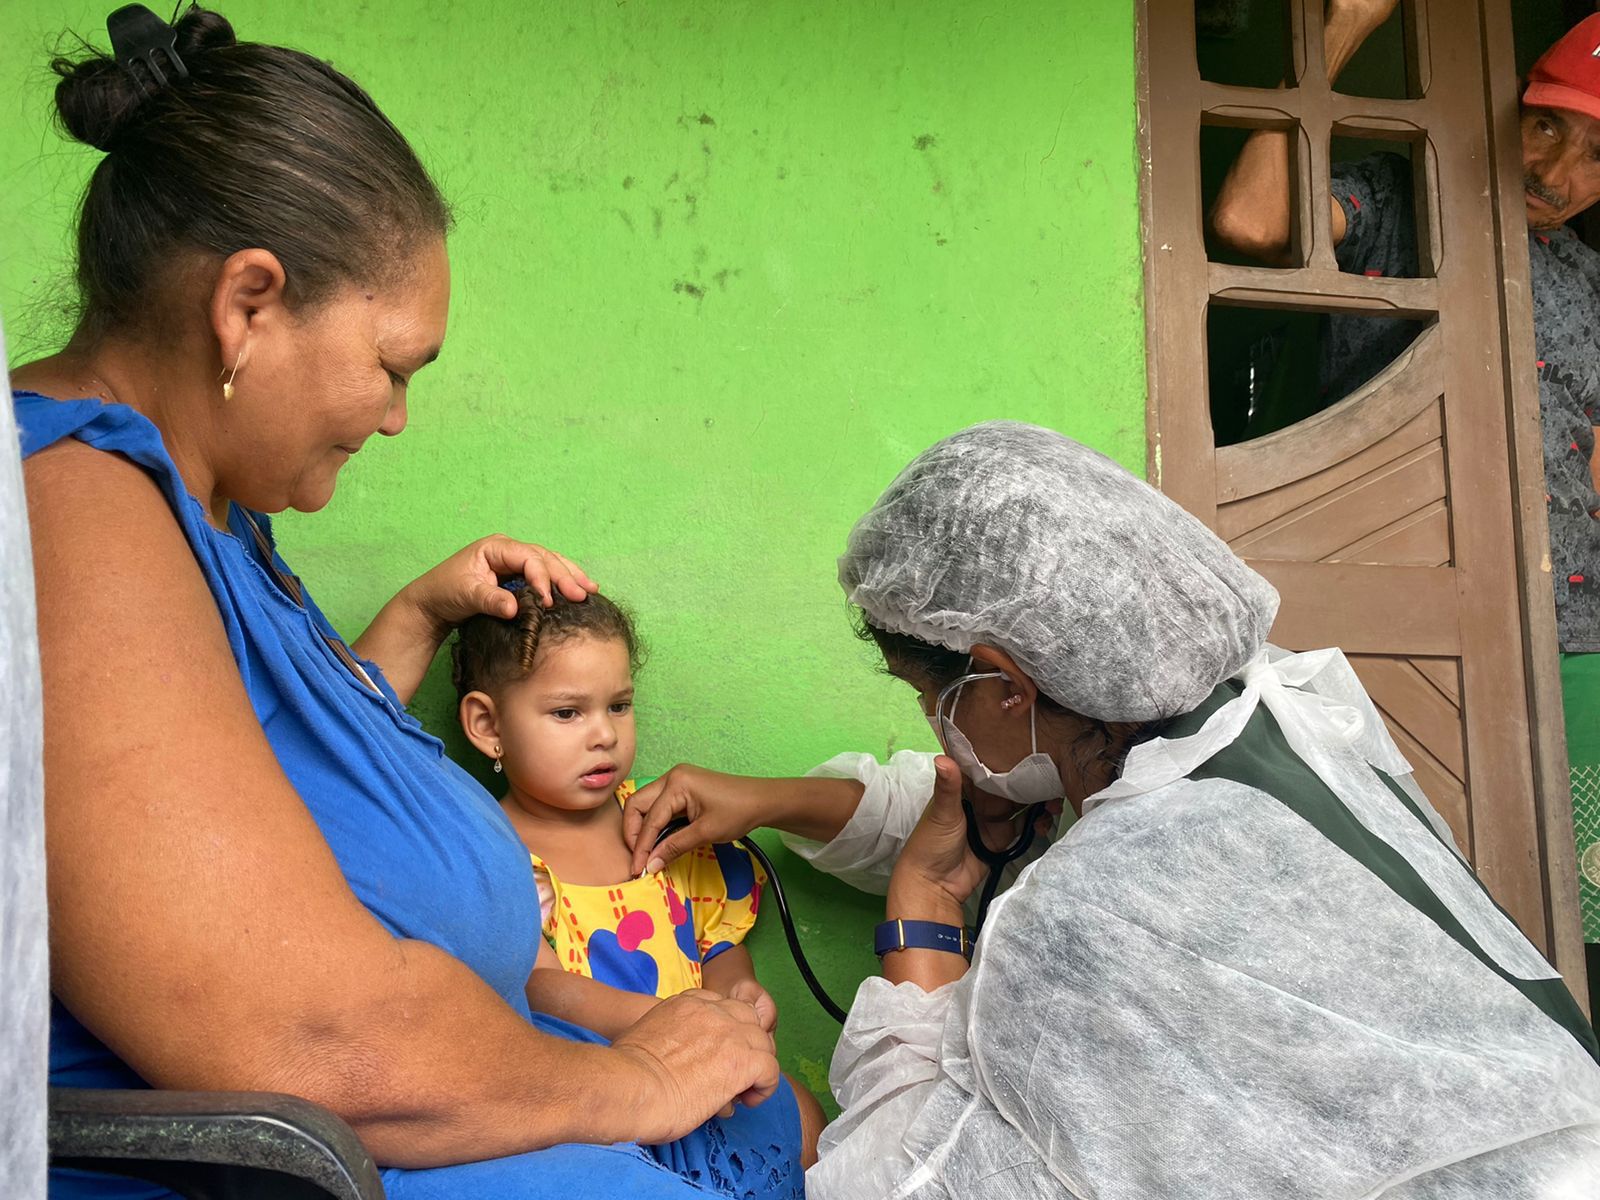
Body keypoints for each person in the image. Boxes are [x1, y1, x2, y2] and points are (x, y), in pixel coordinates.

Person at [17, 6, 802, 1198]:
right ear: (247, 304)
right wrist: (633, 1081)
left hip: (420, 1092)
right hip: (298, 1154)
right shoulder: (69, 508)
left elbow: (270, 767)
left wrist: (416, 618)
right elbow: (308, 1039)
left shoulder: (206, 503)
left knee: (761, 1111)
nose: (395, 418)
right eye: (391, 367)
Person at [628, 420, 1600, 1197]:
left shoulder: (1090, 918)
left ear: (1005, 684)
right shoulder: (1271, 709)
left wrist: (919, 926)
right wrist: (768, 800)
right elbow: (981, 801)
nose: (934, 731)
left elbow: (906, 1180)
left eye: (929, 696)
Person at [1210, 0, 1600, 999]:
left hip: (1577, 640)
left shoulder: (1589, 281)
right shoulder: (1398, 197)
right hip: (1411, 615)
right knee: (1401, 916)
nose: (1557, 171)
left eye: (1597, 155)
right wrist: (1338, 33)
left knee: (1577, 919)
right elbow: (1249, 222)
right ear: (1508, 105)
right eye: (1546, 126)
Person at [449, 586, 827, 1159]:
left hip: (711, 1075)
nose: (604, 734)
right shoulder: (497, 855)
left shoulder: (664, 829)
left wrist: (735, 993)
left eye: (619, 706)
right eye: (567, 713)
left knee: (802, 1116)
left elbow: (715, 947)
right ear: (488, 725)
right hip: (597, 1102)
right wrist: (677, 1021)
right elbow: (541, 988)